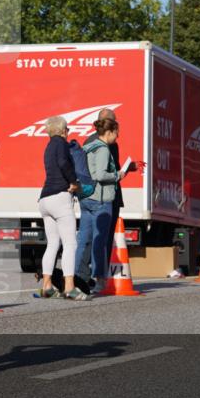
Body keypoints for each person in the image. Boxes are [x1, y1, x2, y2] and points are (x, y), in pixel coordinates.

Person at [76, 107, 135, 290]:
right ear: (109, 131)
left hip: (86, 198)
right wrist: (119, 175)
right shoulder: (103, 148)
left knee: (83, 240)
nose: (117, 137)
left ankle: (76, 278)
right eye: (116, 133)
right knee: (101, 241)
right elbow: (101, 174)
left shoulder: (87, 145)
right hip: (100, 199)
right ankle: (99, 279)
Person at [37, 116, 80, 298]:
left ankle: (47, 285)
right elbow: (63, 163)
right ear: (63, 130)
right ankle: (69, 287)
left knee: (53, 243)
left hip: (44, 199)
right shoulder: (61, 144)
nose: (68, 132)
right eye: (67, 129)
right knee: (70, 243)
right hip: (59, 198)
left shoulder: (48, 146)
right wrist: (73, 181)